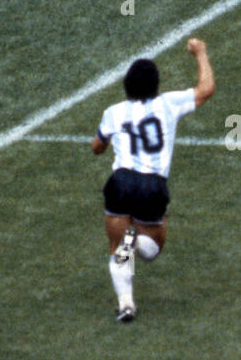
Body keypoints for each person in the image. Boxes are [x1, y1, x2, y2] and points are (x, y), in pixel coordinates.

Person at [92, 38, 214, 322]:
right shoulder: (167, 104)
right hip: (152, 185)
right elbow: (206, 89)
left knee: (118, 246)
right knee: (152, 249)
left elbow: (96, 147)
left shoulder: (114, 112)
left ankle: (126, 304)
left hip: (120, 182)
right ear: (156, 85)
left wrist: (108, 142)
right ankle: (133, 244)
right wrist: (201, 53)